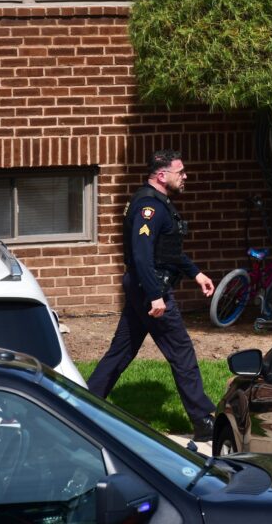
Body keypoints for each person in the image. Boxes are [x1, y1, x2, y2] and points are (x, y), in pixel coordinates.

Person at [87, 149, 219, 441]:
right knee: (181, 350)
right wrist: (156, 296)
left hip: (143, 288)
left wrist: (196, 274)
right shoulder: (150, 207)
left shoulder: (158, 204)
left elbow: (167, 251)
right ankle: (202, 421)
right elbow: (142, 256)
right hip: (151, 291)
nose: (185, 177)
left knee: (120, 352)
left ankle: (82, 408)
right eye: (180, 172)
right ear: (162, 176)